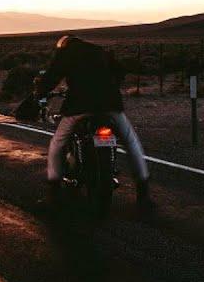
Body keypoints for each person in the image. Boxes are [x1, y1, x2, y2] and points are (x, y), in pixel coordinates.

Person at [34, 35, 152, 214]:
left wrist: (40, 92)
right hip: (110, 104)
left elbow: (52, 76)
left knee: (57, 143)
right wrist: (109, 84)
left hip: (80, 105)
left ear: (63, 45)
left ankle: (53, 192)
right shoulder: (99, 51)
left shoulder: (66, 53)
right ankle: (143, 193)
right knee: (131, 142)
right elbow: (120, 70)